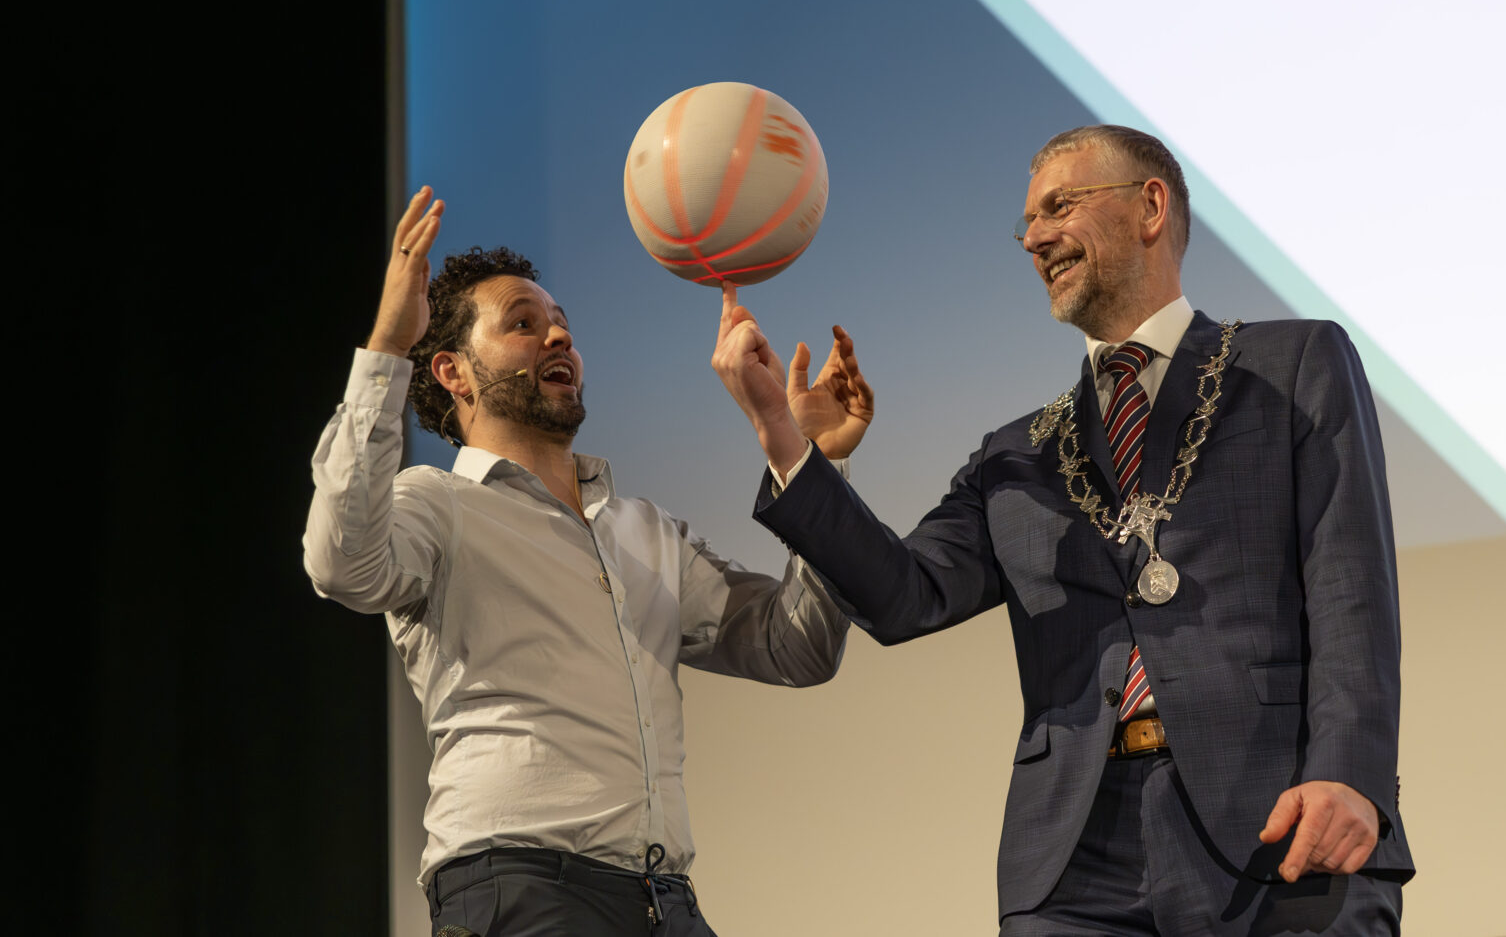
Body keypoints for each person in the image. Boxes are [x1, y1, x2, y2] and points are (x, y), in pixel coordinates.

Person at [712, 125, 1415, 935]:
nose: (1035, 237)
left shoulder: (1294, 365)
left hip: (1279, 823)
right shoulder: (1018, 452)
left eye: (1059, 206)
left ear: (1150, 206)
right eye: (1027, 223)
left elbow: (1350, 587)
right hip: (1075, 863)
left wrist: (1349, 773)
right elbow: (903, 596)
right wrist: (786, 440)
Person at [304, 187, 868, 937]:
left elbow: (797, 645)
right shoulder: (434, 507)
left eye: (563, 324)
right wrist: (384, 345)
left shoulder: (645, 530)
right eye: (524, 324)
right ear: (452, 372)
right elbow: (342, 561)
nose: (558, 338)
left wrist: (802, 456)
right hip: (521, 887)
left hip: (665, 900)